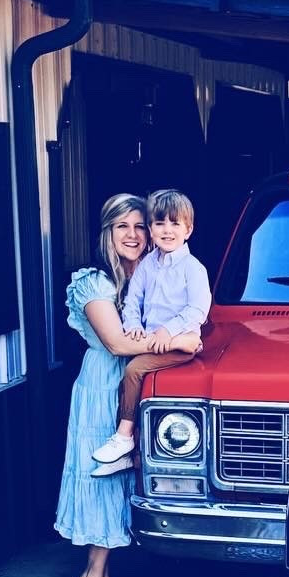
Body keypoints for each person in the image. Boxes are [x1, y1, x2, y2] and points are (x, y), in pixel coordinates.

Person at [55, 194, 158, 577]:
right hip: (104, 386)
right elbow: (116, 342)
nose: (132, 235)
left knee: (125, 483)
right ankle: (91, 576)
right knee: (104, 480)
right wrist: (180, 342)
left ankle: (104, 574)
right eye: (122, 227)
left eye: (139, 227)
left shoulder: (152, 278)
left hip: (142, 385)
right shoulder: (94, 283)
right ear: (107, 233)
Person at [89, 187, 210, 474]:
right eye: (159, 223)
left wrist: (168, 332)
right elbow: (133, 299)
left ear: (188, 230)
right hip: (152, 338)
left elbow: (198, 309)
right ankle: (130, 454)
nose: (167, 230)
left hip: (175, 341)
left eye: (175, 223)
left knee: (133, 371)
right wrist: (132, 325)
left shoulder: (193, 269)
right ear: (151, 230)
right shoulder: (147, 266)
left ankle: (123, 437)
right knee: (136, 380)